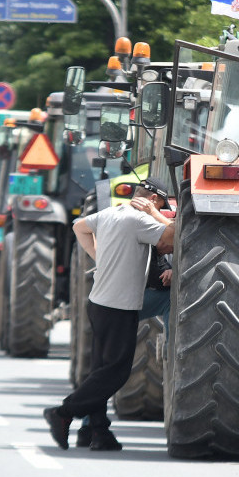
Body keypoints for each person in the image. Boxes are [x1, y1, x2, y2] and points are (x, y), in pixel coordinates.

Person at [45, 180, 174, 452]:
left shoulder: (110, 213)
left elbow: (78, 227)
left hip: (99, 303)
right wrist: (156, 214)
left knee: (100, 370)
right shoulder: (140, 220)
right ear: (152, 198)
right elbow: (172, 238)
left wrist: (98, 256)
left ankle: (96, 431)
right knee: (116, 373)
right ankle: (63, 413)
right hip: (119, 307)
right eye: (163, 204)